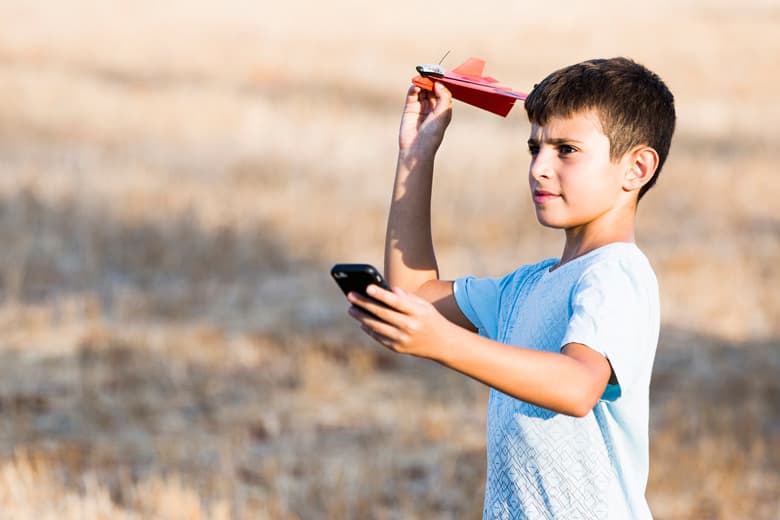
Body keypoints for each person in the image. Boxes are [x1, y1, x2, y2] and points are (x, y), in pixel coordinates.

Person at [347, 57, 676, 519]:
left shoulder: (616, 273)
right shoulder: (523, 288)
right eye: (534, 148)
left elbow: (578, 386)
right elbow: (417, 292)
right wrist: (416, 156)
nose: (539, 167)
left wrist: (443, 342)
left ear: (636, 168)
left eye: (566, 149)